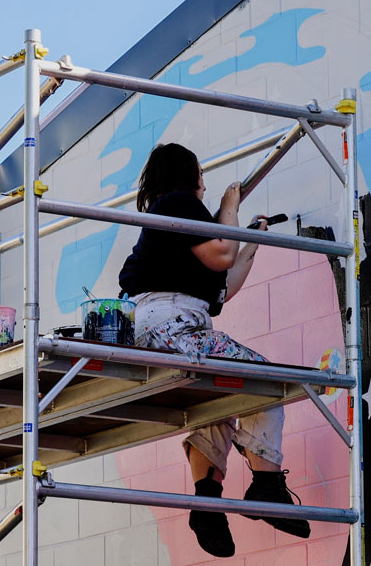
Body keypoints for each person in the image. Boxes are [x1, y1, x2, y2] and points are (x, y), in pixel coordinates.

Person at [118, 143, 309, 558]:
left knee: (220, 399)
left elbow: (223, 289)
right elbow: (223, 254)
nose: (204, 185)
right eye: (201, 174)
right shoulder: (177, 202)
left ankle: (207, 502)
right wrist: (230, 207)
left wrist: (251, 240)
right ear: (190, 175)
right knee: (268, 380)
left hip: (171, 319)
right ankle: (266, 488)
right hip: (173, 321)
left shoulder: (171, 228)